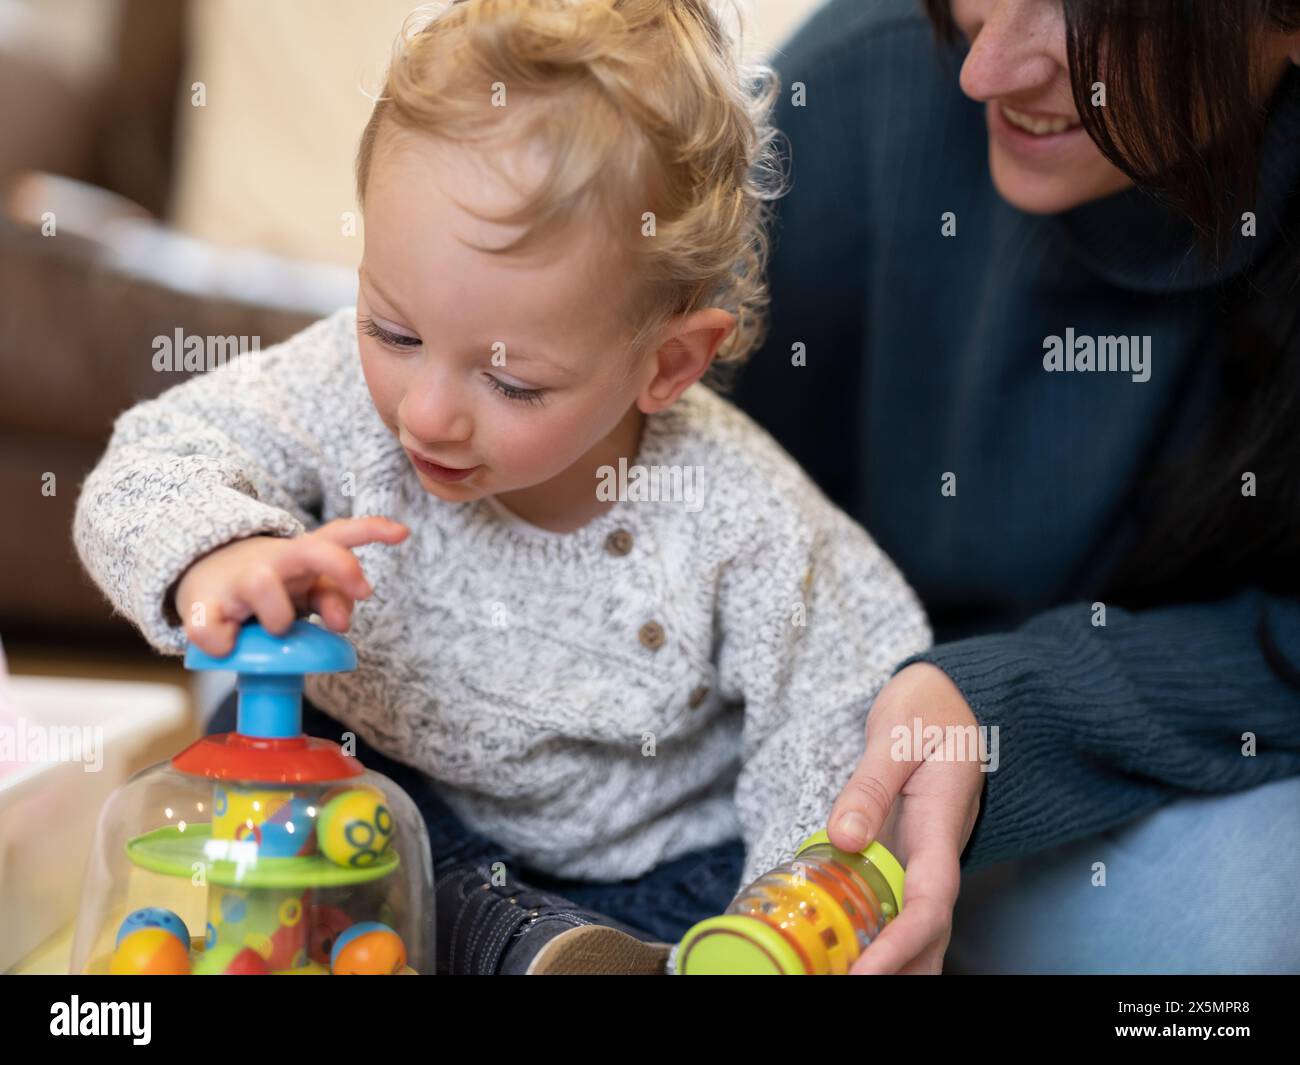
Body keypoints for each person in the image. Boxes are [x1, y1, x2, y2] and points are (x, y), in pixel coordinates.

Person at [72, 0, 932, 975]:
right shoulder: (329, 391)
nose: (426, 413)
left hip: (645, 880)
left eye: (511, 381)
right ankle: (505, 945)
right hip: (387, 799)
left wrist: (780, 914)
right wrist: (220, 551)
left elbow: (838, 701)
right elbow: (155, 457)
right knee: (258, 728)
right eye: (392, 332)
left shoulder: (737, 512)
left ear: (667, 364)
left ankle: (537, 950)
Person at [731, 0, 1300, 973]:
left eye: (1095, 17)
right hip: (807, 742)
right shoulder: (849, 88)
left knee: (1243, 930)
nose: (983, 70)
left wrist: (1005, 711)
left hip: (1135, 759)